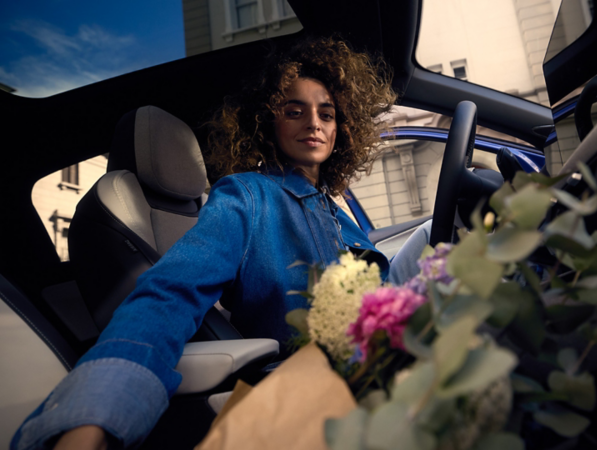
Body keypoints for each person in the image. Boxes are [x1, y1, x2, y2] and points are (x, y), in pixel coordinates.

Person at [12, 37, 428, 450]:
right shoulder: (247, 197)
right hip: (318, 394)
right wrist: (92, 415)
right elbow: (170, 293)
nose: (314, 123)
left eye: (327, 113)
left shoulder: (335, 211)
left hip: (389, 368)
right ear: (268, 121)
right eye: (294, 111)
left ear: (342, 128)